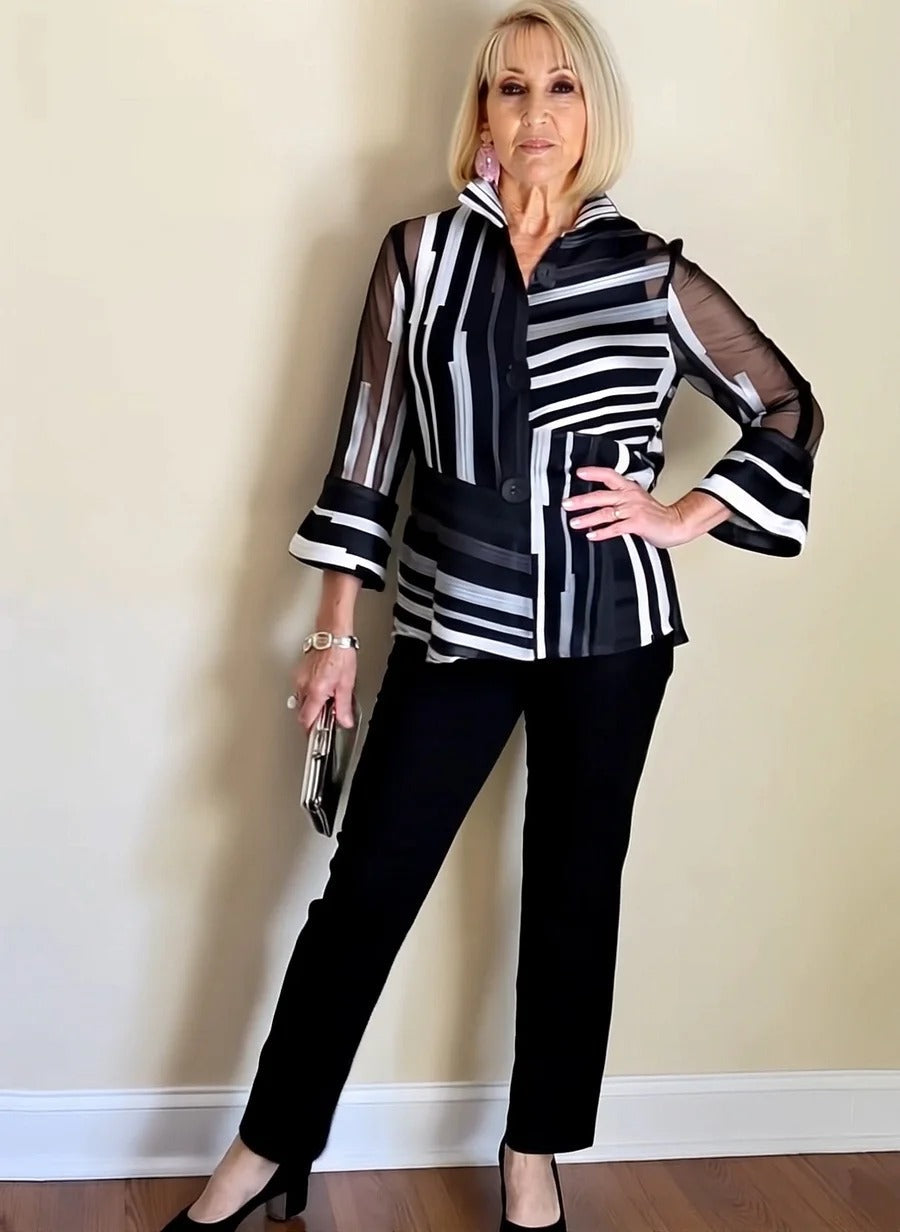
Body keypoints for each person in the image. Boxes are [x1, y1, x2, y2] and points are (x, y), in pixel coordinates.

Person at [160, 1, 823, 1228]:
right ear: (482, 110)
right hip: (451, 622)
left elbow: (787, 406)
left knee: (575, 893)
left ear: (592, 112)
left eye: (560, 88)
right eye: (510, 88)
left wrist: (685, 511)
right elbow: (368, 452)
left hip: (611, 632)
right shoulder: (419, 256)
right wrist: (333, 632)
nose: (535, 113)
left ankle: (533, 1156)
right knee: (367, 890)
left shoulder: (648, 270)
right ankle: (264, 1150)